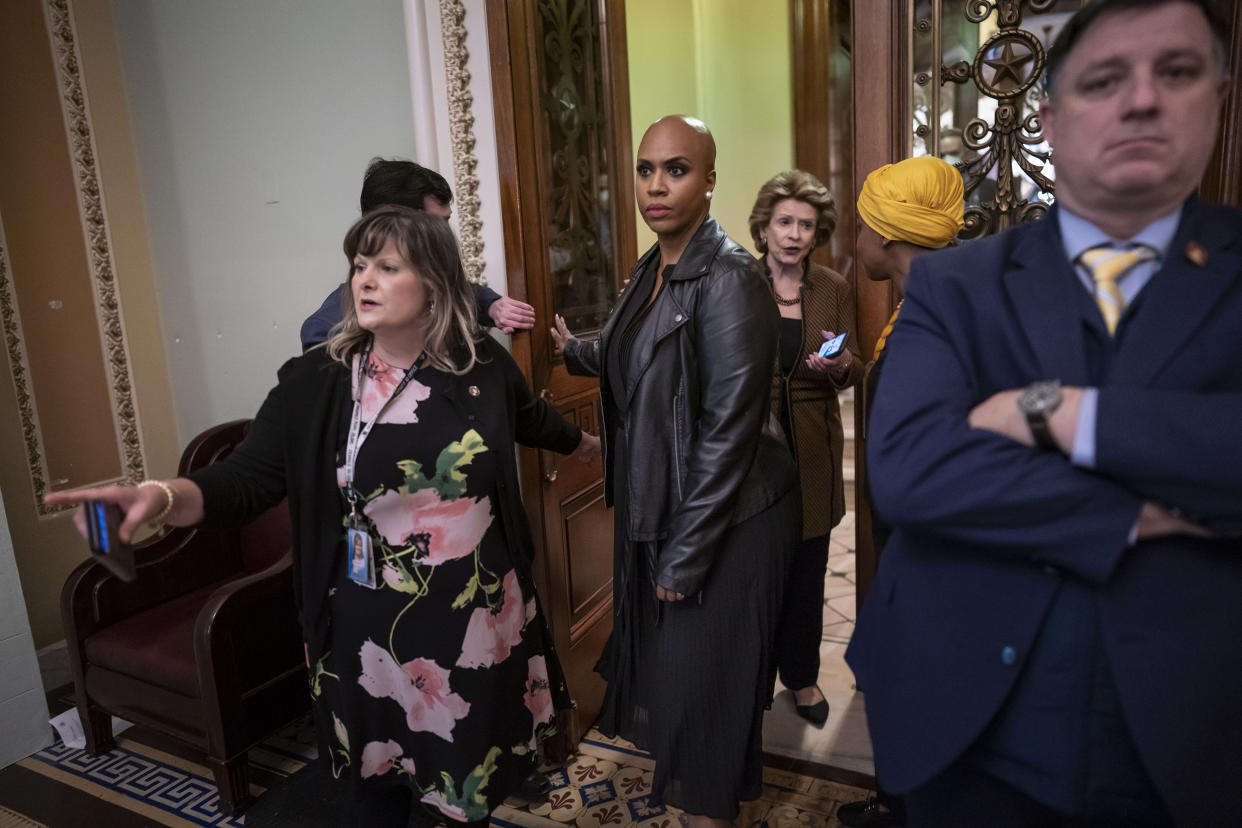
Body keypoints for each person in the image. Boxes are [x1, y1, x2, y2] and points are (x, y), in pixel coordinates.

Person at [48, 206, 601, 828]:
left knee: (460, 795)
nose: (363, 279)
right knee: (377, 792)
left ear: (436, 284)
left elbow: (531, 419)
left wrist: (585, 447)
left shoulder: (483, 369)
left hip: (474, 621)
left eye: (387, 267)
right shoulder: (316, 383)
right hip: (365, 627)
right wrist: (165, 497)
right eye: (359, 266)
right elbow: (246, 479)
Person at [845, 1, 1241, 825]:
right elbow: (911, 471)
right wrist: (1142, 510)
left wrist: (1060, 414)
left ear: (1220, 96)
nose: (1140, 101)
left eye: (1175, 73)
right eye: (1104, 80)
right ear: (1052, 122)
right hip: (967, 734)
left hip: (1191, 744)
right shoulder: (960, 286)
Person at [550, 115, 799, 827]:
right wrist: (579, 352)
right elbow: (647, 351)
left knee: (708, 694)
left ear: (711, 179)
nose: (656, 185)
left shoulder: (730, 280)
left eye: (677, 169)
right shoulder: (650, 267)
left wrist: (685, 555)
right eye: (645, 169)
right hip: (677, 507)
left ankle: (708, 813)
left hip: (735, 516)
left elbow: (729, 430)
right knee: (687, 689)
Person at [836, 155, 965, 828]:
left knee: (917, 693)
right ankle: (896, 802)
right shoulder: (928, 305)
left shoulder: (935, 322)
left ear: (887, 236)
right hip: (909, 547)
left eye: (860, 226)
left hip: (930, 553)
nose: (853, 241)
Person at [747, 170, 862, 727]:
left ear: (818, 235)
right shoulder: (738, 283)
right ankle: (750, 674)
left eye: (806, 226)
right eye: (784, 222)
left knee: (808, 571)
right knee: (754, 572)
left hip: (813, 448)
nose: (794, 234)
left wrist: (839, 366)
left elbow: (857, 366)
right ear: (764, 227)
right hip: (749, 453)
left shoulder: (834, 288)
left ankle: (803, 677)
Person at [300, 158, 535, 349]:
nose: (446, 239)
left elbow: (461, 293)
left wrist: (492, 305)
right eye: (435, 226)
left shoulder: (439, 296)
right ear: (388, 227)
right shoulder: (325, 335)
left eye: (446, 224)